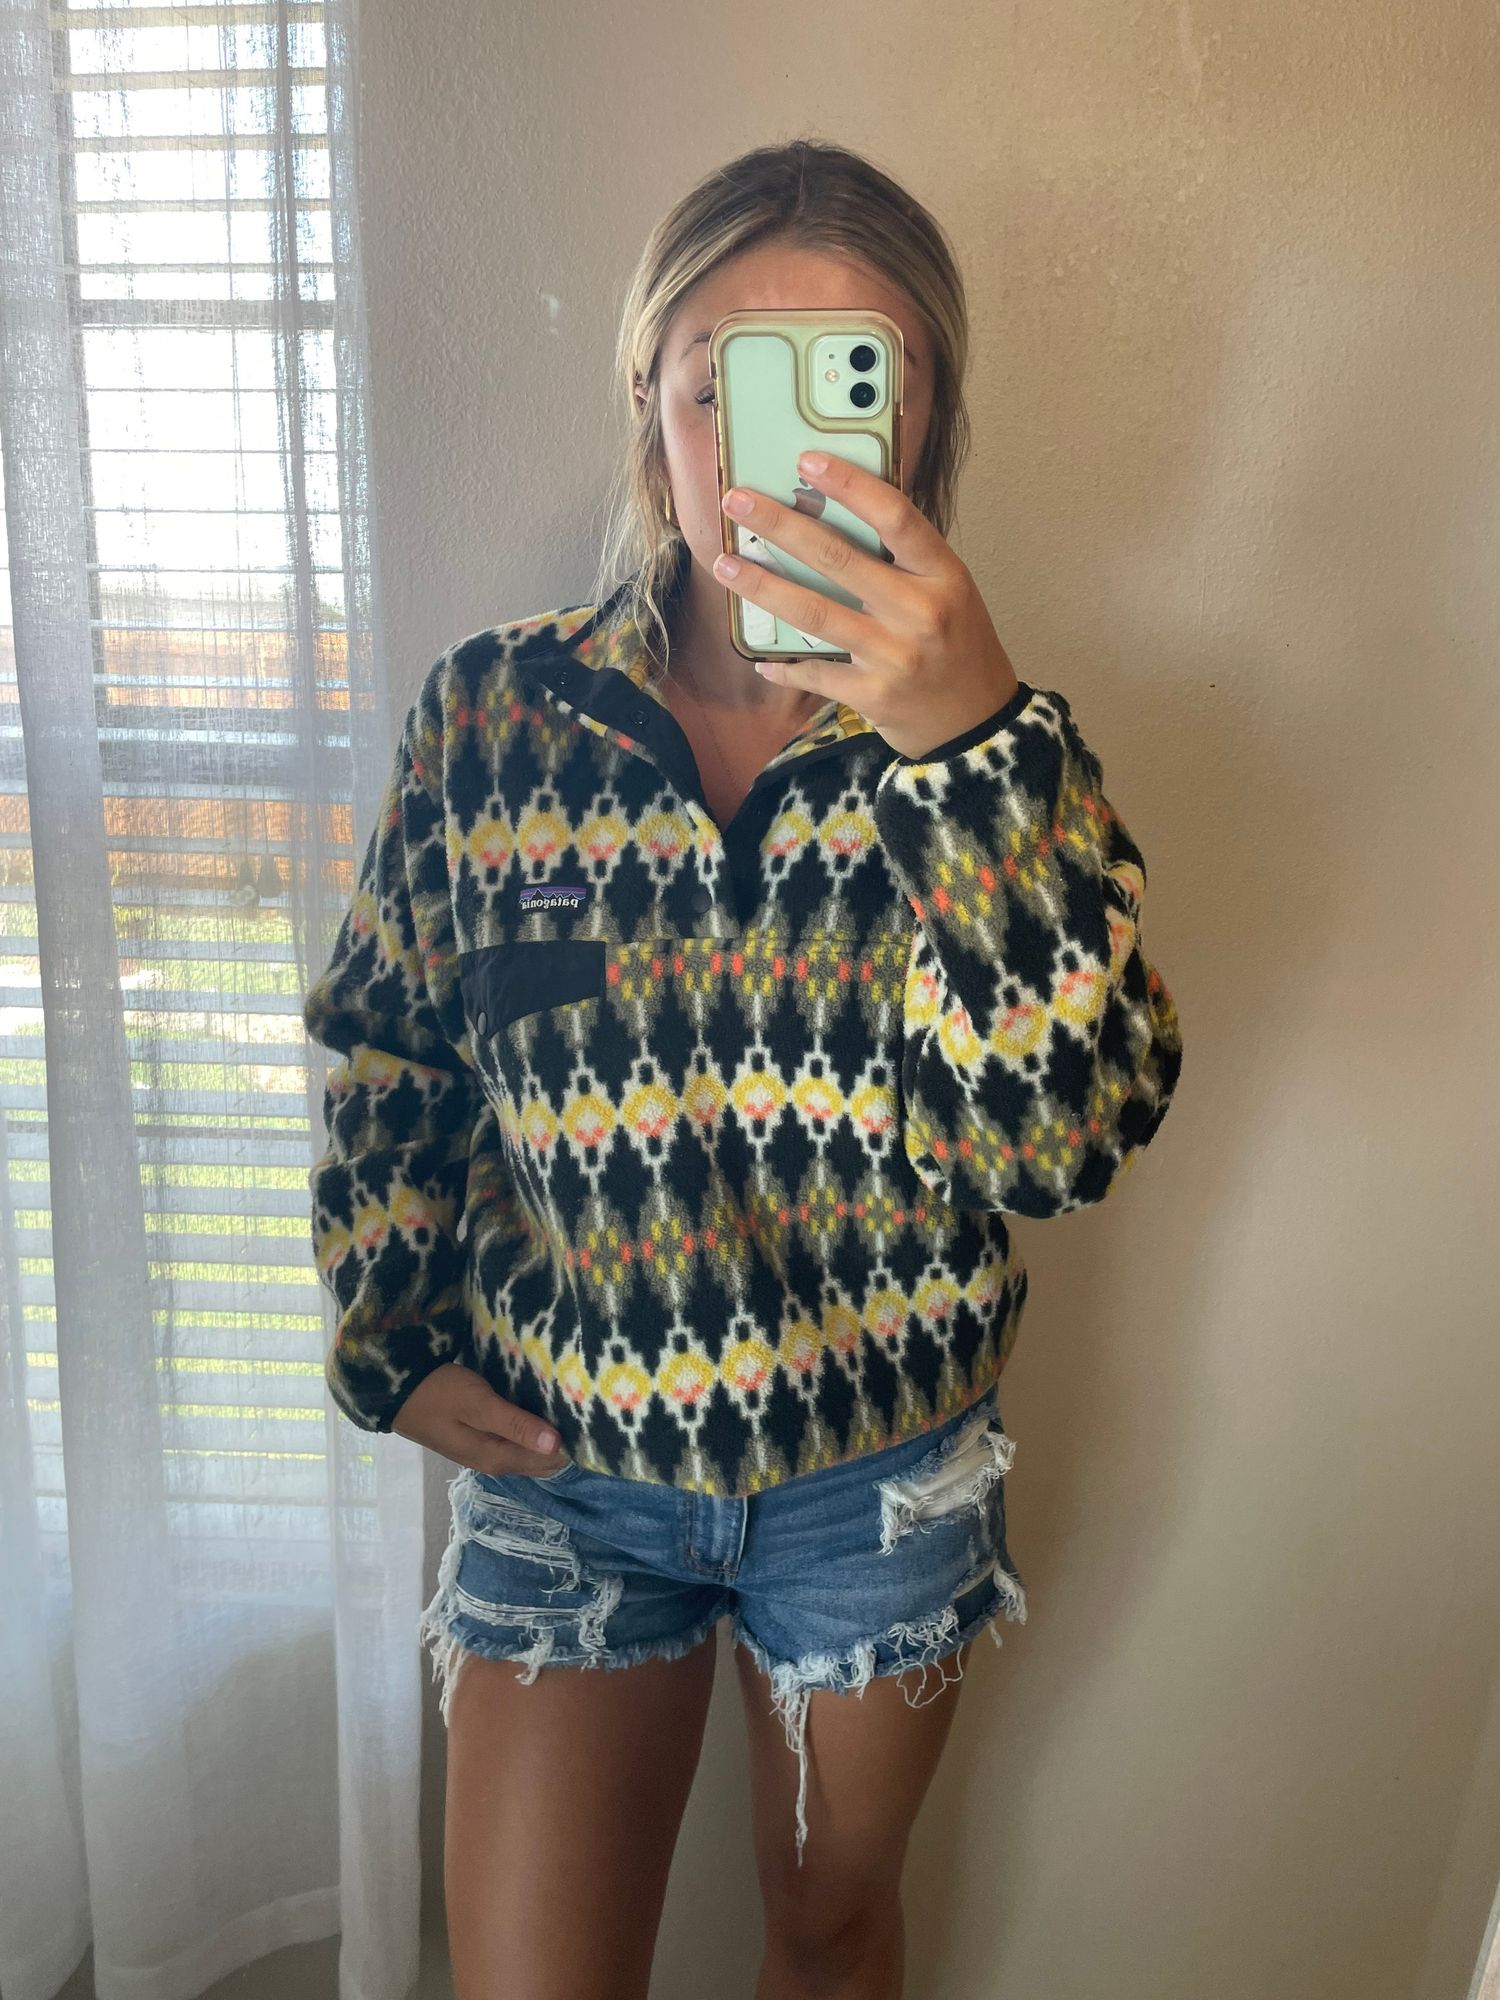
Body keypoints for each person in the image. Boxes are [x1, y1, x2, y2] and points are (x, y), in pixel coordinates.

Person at [302, 137, 1184, 2000]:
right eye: (720, 384)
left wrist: (969, 753)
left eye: (851, 380)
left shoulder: (997, 760)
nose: (766, 452)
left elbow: (1067, 1140)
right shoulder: (496, 717)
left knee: (832, 1939)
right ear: (652, 406)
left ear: (924, 429)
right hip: (566, 1458)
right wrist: (391, 1335)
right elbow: (390, 1042)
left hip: (879, 1478)